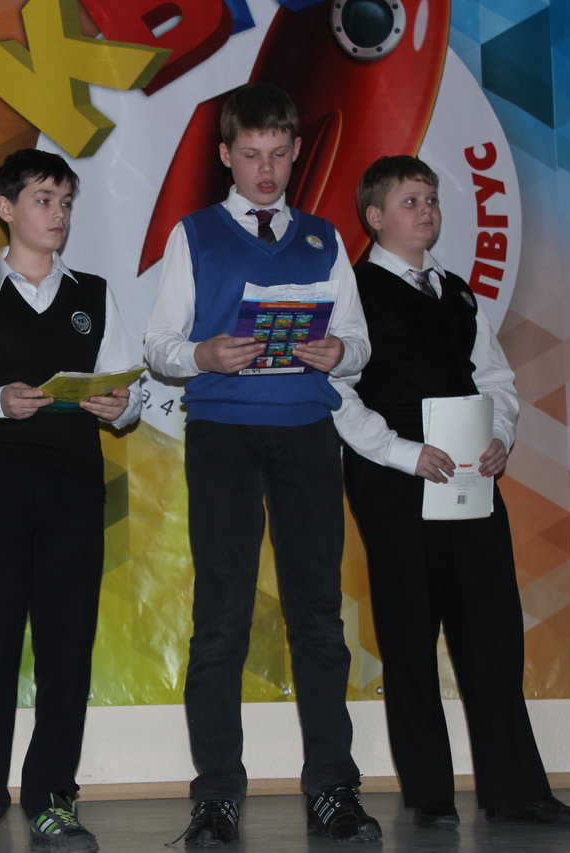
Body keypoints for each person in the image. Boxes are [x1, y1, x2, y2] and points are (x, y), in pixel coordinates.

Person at [143, 83, 379, 846]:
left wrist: (340, 351)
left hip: (308, 433)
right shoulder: (194, 235)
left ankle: (333, 787)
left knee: (318, 616)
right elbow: (160, 346)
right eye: (251, 155)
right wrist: (203, 354)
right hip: (223, 436)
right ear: (226, 156)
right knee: (221, 618)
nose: (267, 170)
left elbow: (359, 341)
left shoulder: (323, 237)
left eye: (279, 154)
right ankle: (216, 795)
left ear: (298, 150)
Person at [332, 154, 570, 830]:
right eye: (410, 201)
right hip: (395, 480)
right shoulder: (351, 292)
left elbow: (495, 379)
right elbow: (335, 393)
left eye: (431, 199)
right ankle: (431, 797)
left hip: (470, 479)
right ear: (374, 216)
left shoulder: (457, 293)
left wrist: (499, 436)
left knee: (493, 631)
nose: (426, 211)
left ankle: (516, 792)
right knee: (410, 633)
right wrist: (403, 453)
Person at [0, 148, 143, 853]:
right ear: (6, 207)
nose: (58, 214)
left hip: (74, 486)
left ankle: (53, 798)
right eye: (44, 200)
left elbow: (130, 391)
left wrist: (119, 405)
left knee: (66, 648)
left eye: (66, 202)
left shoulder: (95, 295)